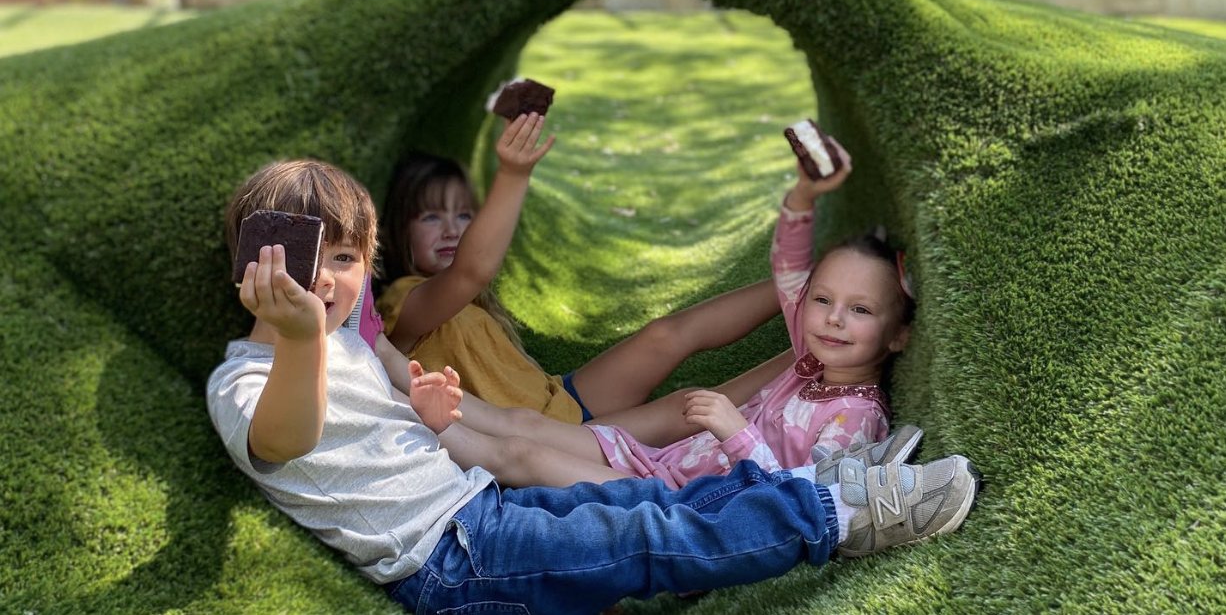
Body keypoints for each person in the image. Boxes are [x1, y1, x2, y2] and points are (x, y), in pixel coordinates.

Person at [207, 158, 981, 615]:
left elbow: (392, 367)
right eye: (306, 256)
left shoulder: (346, 336)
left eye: (347, 260)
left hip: (484, 508)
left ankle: (816, 484)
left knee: (645, 506)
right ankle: (842, 511)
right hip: (450, 563)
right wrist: (303, 340)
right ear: (252, 263)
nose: (329, 280)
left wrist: (425, 402)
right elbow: (284, 438)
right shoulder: (242, 381)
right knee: (648, 533)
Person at [427, 134, 921, 490]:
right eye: (823, 300)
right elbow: (790, 269)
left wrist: (736, 431)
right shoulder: (810, 357)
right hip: (660, 462)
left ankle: (420, 427)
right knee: (528, 427)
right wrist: (803, 196)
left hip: (682, 504)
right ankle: (404, 388)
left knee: (523, 456)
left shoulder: (854, 417)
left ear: (898, 335)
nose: (833, 318)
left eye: (859, 309)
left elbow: (801, 503)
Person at [375, 111, 787, 428]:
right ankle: (808, 361)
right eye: (431, 217)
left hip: (563, 397)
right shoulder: (403, 305)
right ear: (397, 229)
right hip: (554, 438)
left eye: (464, 215)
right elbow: (471, 271)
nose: (451, 229)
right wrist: (514, 174)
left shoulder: (470, 303)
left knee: (665, 334)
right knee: (692, 408)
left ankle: (800, 286)